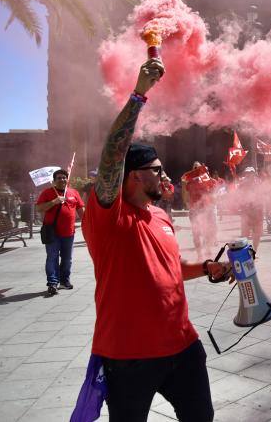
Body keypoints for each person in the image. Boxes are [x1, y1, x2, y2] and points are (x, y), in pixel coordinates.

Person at [82, 58, 229, 420]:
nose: (165, 176)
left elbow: (172, 269)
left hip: (182, 346)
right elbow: (111, 157)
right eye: (157, 170)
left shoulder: (161, 216)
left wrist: (210, 268)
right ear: (132, 176)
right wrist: (138, 95)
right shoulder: (109, 215)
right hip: (129, 356)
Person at [36, 168, 85, 295]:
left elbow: (81, 208)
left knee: (67, 259)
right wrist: (54, 201)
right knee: (52, 257)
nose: (62, 180)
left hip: (69, 232)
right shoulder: (47, 193)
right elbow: (39, 208)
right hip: (52, 233)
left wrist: (88, 222)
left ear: (67, 179)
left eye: (64, 177)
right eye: (59, 178)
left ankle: (64, 281)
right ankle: (52, 283)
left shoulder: (73, 192)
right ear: (54, 181)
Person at [181, 162, 220, 252]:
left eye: (198, 168)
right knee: (196, 231)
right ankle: (199, 253)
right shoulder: (189, 182)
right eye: (194, 168)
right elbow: (185, 195)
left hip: (206, 208)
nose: (196, 170)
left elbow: (214, 194)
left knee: (207, 228)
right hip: (194, 209)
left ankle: (208, 250)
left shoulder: (210, 180)